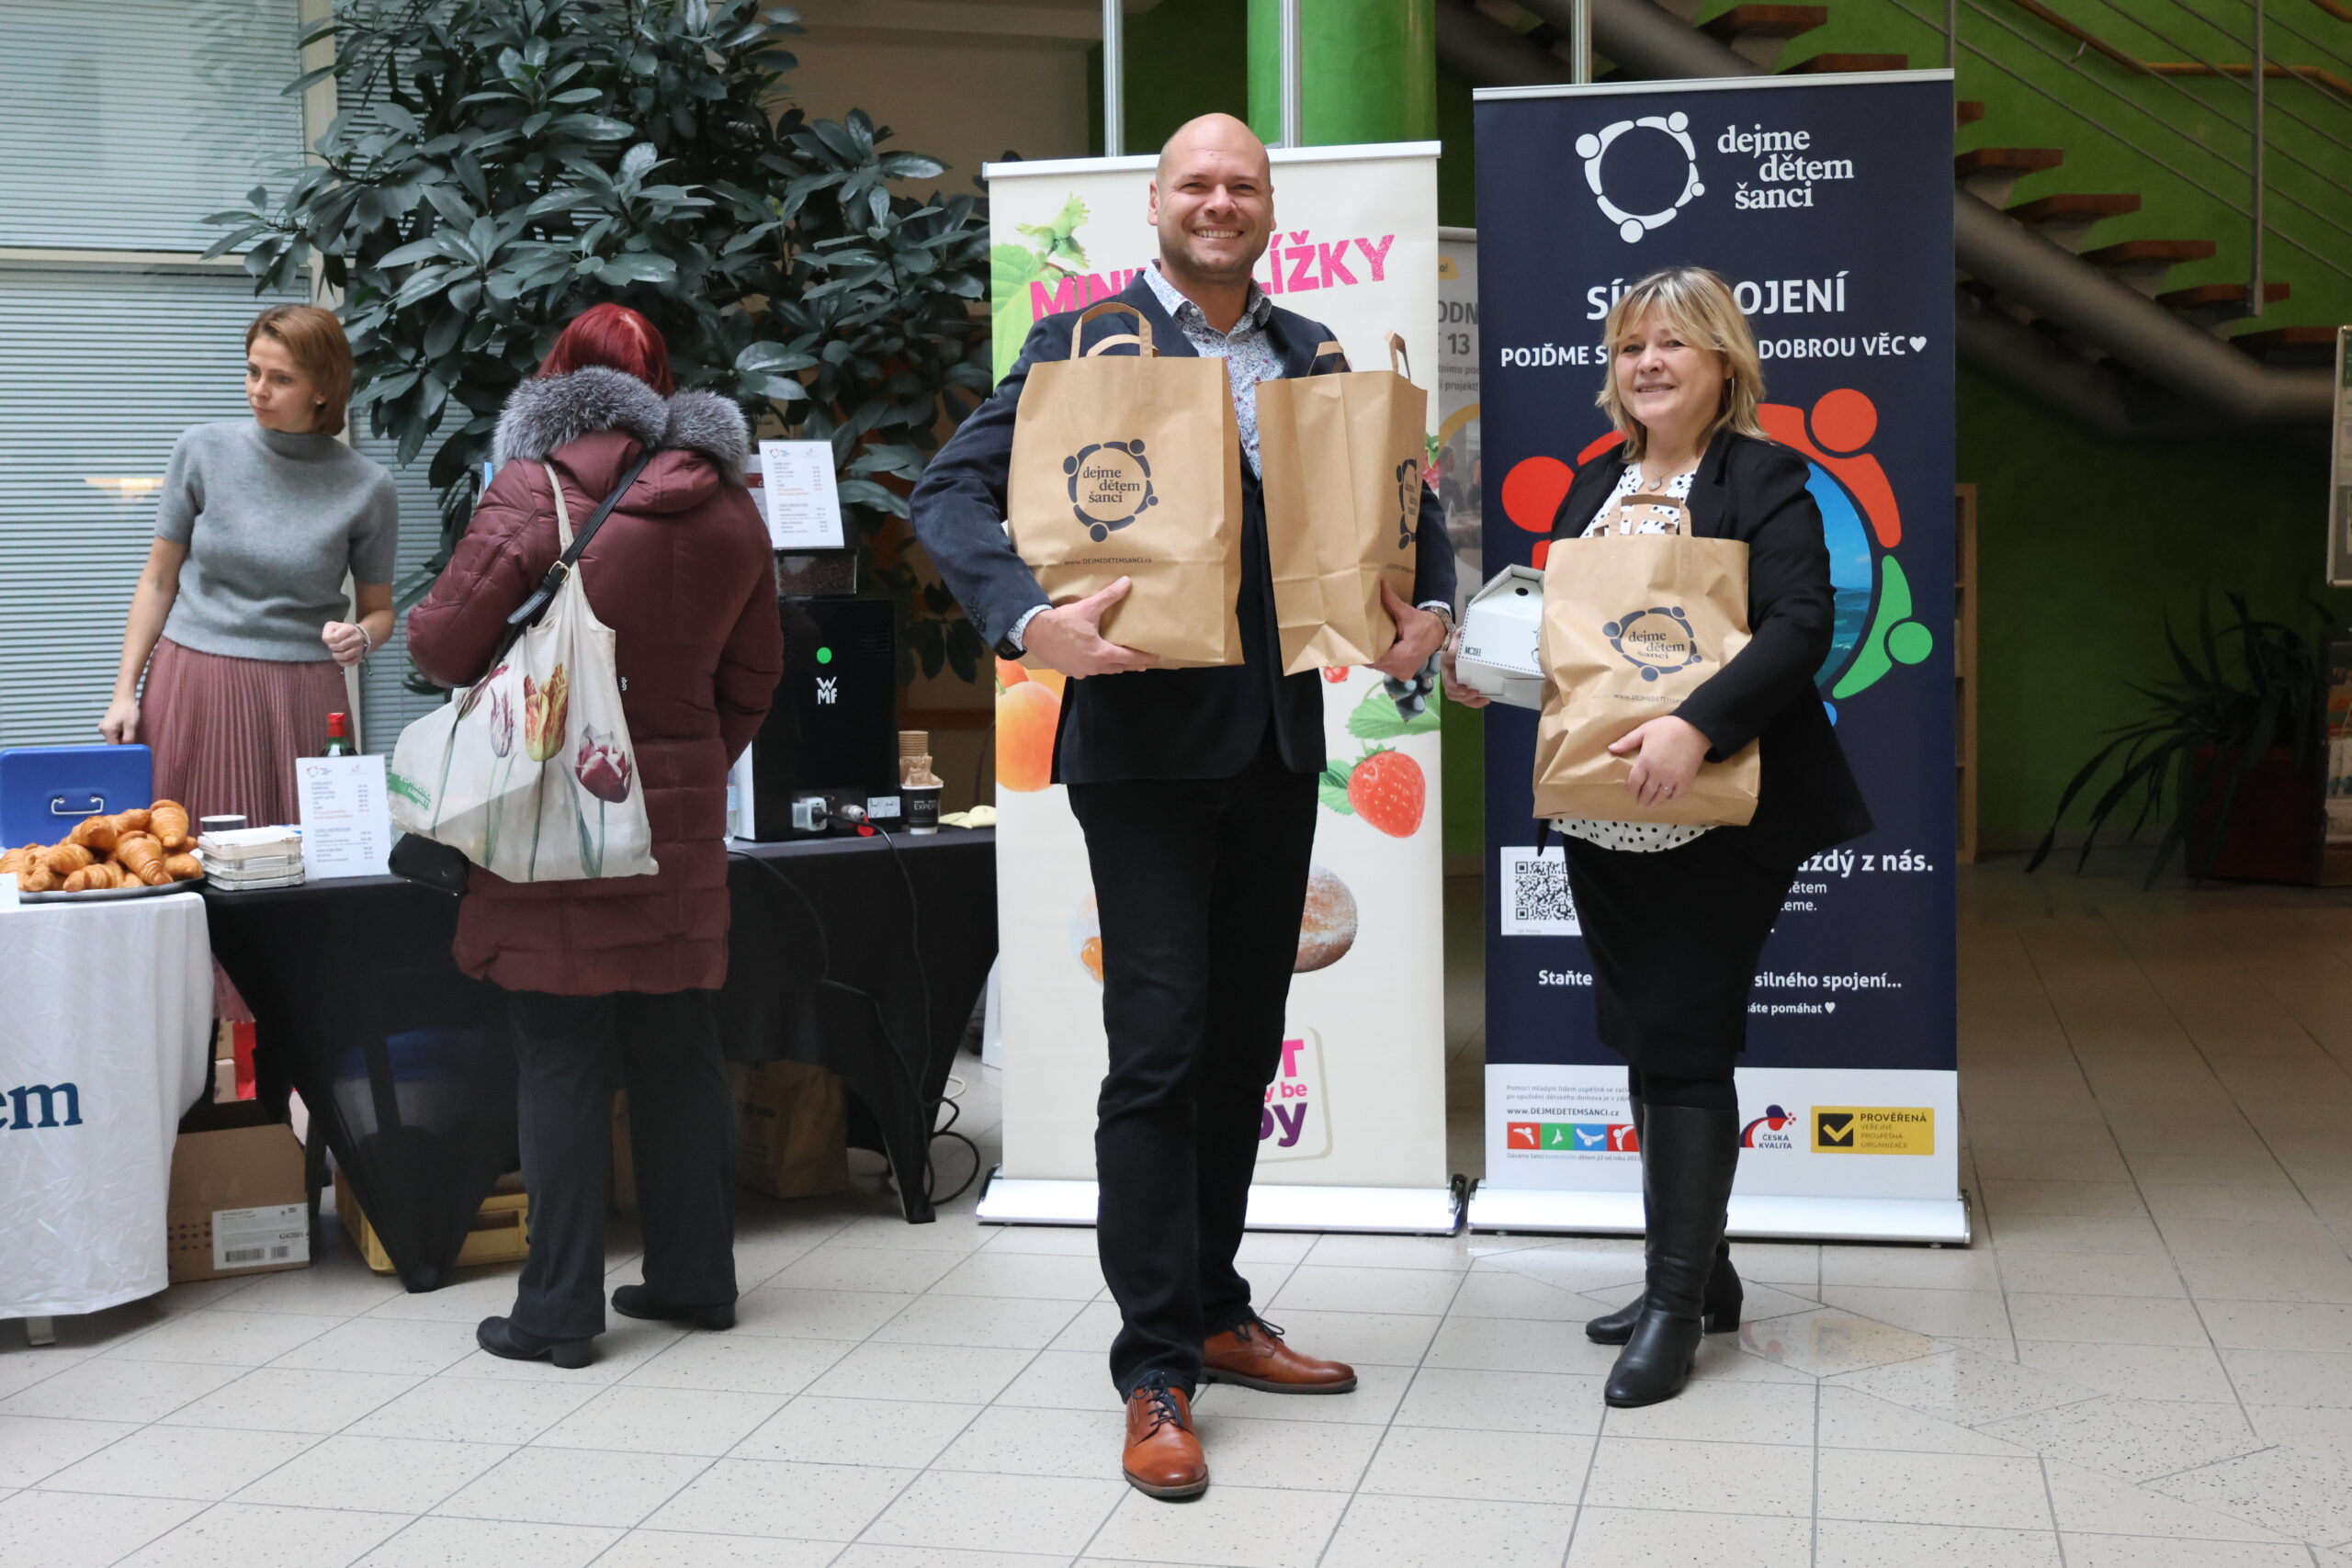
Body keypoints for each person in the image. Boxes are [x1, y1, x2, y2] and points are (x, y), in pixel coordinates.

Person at [912, 113, 1457, 1499]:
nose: (1220, 201)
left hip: (1276, 747)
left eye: (1242, 184)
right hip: (1145, 754)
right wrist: (1029, 620)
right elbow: (950, 492)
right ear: (1154, 204)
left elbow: (1407, 508)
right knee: (1157, 1053)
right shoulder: (1080, 346)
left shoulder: (1313, 353)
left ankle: (1215, 1306)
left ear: (1269, 208)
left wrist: (1431, 608)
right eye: (1196, 184)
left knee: (1239, 1049)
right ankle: (1154, 1365)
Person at [1443, 265, 1871, 1408]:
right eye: (1631, 346)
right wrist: (1497, 667)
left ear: (1722, 361)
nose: (1647, 364)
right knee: (1645, 1035)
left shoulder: (1765, 477)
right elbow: (1577, 639)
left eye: (1673, 343)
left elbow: (1800, 625)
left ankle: (1673, 1307)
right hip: (1605, 809)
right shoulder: (1597, 481)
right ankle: (1703, 1276)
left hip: (1722, 805)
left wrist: (1697, 724)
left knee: (1683, 1042)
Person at [406, 303, 784, 1369]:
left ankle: (558, 1311)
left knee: (562, 1054)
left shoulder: (536, 490)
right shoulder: (730, 509)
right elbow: (756, 675)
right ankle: (696, 1280)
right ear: (660, 388)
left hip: (551, 813)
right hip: (676, 825)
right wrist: (687, 769)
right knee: (678, 1049)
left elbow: (440, 646)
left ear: (557, 383)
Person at [101, 303, 397, 828]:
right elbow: (158, 580)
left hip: (302, 693)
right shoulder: (201, 450)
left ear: (322, 389)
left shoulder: (368, 486)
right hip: (192, 679)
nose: (258, 390)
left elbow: (379, 611)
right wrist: (124, 693)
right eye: (252, 371)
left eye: (281, 379)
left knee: (306, 855)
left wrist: (361, 637)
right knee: (181, 845)